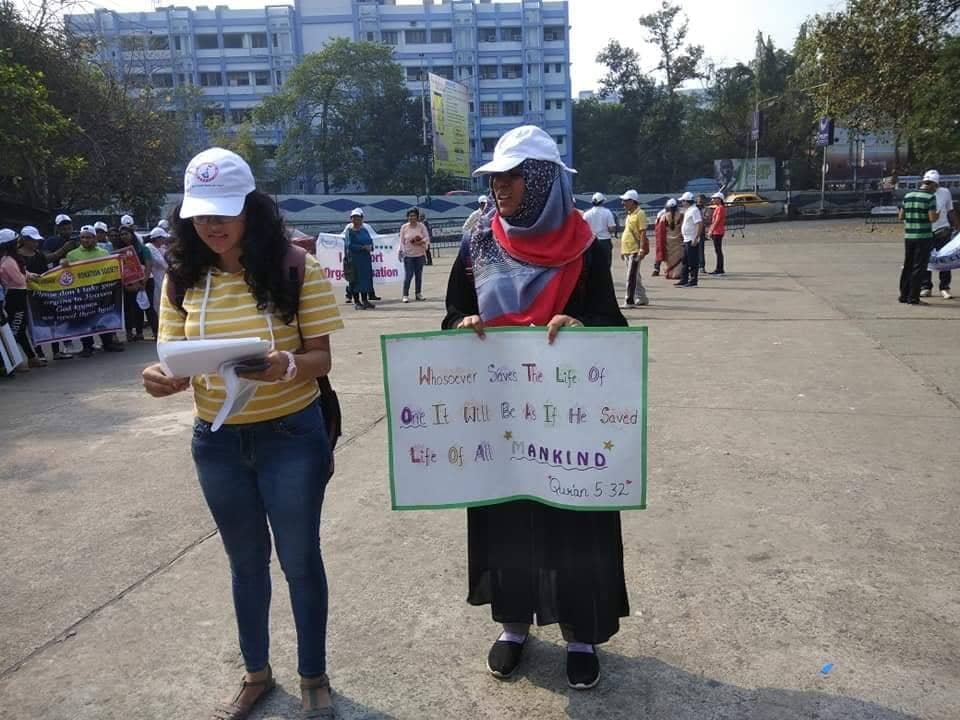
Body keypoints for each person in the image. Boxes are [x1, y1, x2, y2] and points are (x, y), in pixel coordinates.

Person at [141, 147, 343, 720]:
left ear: (253, 208)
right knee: (244, 562)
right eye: (201, 213)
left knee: (300, 559)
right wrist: (160, 377)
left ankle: (314, 677)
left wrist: (287, 365)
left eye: (224, 212)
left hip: (290, 435)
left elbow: (322, 358)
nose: (212, 225)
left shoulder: (293, 266)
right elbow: (170, 358)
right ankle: (256, 673)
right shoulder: (180, 276)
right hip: (218, 441)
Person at [442, 125, 629, 691]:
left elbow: (611, 324)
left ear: (545, 180)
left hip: (568, 420)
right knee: (508, 519)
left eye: (512, 176)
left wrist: (581, 325)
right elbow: (451, 313)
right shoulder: (479, 241)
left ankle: (579, 635)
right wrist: (463, 324)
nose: (500, 187)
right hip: (499, 416)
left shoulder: (586, 248)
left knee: (572, 521)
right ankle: (514, 625)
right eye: (495, 177)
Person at [64, 226, 123, 357]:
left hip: (100, 292)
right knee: (84, 320)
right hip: (82, 293)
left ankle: (107, 343)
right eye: (83, 237)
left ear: (95, 238)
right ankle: (87, 346)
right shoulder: (72, 255)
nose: (85, 240)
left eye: (89, 237)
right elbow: (67, 274)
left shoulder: (103, 253)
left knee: (102, 317)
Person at [0, 228, 43, 370]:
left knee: (20, 327)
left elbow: (22, 273)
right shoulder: (7, 261)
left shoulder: (13, 259)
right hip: (14, 297)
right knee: (16, 328)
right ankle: (16, 361)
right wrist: (27, 276)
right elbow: (19, 280)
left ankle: (31, 358)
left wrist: (30, 275)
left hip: (19, 295)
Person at [898, 173, 939, 305]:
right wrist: (938, 215)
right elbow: (932, 218)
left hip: (909, 236)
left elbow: (901, 216)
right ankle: (914, 297)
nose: (936, 189)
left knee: (908, 265)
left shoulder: (908, 196)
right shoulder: (930, 198)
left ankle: (903, 295)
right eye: (936, 186)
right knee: (919, 267)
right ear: (932, 184)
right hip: (923, 237)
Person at [44, 214, 79, 359]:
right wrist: (63, 250)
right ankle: (59, 347)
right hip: (57, 284)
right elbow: (46, 258)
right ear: (57, 227)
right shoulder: (50, 241)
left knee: (75, 312)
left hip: (76, 283)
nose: (66, 228)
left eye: (68, 225)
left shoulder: (78, 240)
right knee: (58, 316)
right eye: (63, 226)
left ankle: (81, 342)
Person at [921, 170, 956, 300]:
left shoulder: (945, 192)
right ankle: (926, 287)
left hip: (943, 230)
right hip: (926, 231)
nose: (930, 186)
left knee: (945, 259)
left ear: (937, 184)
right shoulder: (921, 194)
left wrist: (957, 226)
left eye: (933, 183)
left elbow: (950, 211)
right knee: (926, 260)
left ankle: (944, 287)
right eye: (928, 183)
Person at [116, 225, 152, 340]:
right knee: (127, 308)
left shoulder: (142, 248)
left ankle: (140, 332)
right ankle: (129, 333)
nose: (124, 237)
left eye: (126, 234)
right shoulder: (118, 251)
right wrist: (126, 284)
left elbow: (148, 265)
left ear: (132, 234)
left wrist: (143, 283)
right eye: (121, 235)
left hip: (141, 283)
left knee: (139, 308)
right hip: (126, 284)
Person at [341, 212, 379, 304]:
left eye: (358, 218)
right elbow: (349, 245)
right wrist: (362, 247)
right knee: (355, 281)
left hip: (365, 260)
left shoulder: (364, 230)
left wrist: (370, 247)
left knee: (365, 280)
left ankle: (365, 300)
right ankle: (357, 302)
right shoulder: (349, 231)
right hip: (354, 260)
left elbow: (370, 241)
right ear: (351, 219)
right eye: (354, 218)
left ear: (362, 219)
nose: (356, 220)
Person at [619, 189, 649, 307]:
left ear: (633, 201)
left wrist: (641, 249)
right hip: (627, 249)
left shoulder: (640, 213)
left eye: (626, 201)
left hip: (635, 249)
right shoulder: (630, 215)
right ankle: (642, 297)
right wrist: (622, 251)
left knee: (631, 276)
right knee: (635, 275)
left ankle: (629, 300)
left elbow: (642, 232)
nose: (623, 203)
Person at [399, 208, 430, 302]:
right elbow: (401, 241)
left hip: (419, 254)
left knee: (418, 275)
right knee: (408, 275)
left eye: (414, 216)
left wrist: (420, 241)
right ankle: (405, 295)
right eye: (410, 216)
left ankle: (418, 294)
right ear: (407, 217)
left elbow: (427, 237)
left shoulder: (421, 226)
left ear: (417, 217)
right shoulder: (404, 227)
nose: (412, 218)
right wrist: (401, 251)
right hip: (408, 255)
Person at [583, 192, 616, 267]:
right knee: (606, 265)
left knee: (592, 265)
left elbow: (583, 229)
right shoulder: (607, 212)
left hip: (591, 242)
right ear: (602, 202)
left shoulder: (587, 214)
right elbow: (611, 229)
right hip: (604, 241)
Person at [676, 191, 702, 288]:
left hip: (692, 239)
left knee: (692, 261)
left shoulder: (694, 210)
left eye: (683, 201)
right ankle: (684, 279)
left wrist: (696, 238)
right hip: (687, 239)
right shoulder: (689, 210)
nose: (682, 203)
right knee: (685, 261)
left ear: (687, 201)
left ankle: (693, 280)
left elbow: (699, 224)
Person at [145, 226, 170, 311]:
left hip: (162, 276)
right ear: (157, 238)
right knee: (157, 299)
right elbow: (162, 263)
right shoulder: (149, 247)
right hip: (155, 277)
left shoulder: (161, 248)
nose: (164, 240)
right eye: (163, 238)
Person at [661, 199, 684, 279]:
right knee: (678, 257)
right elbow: (683, 228)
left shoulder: (664, 216)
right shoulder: (681, 215)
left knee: (669, 259)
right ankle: (676, 274)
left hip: (668, 241)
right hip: (678, 240)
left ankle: (669, 273)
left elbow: (661, 230)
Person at [706, 191, 727, 275]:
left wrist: (711, 230)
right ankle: (719, 268)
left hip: (718, 232)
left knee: (718, 250)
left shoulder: (720, 208)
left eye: (715, 198)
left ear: (719, 199)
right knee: (717, 250)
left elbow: (717, 221)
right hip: (717, 231)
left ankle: (719, 269)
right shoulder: (718, 207)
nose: (713, 200)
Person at [695, 194, 708, 271]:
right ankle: (694, 265)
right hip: (693, 232)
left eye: (701, 201)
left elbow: (706, 219)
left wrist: (701, 216)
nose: (699, 202)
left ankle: (701, 266)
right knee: (692, 250)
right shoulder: (694, 208)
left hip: (701, 232)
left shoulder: (705, 209)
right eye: (698, 200)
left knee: (701, 249)